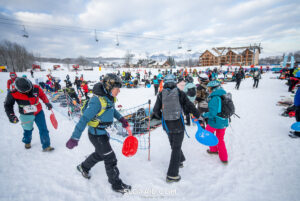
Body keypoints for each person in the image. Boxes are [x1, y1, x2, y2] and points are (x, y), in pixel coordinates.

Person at [65, 73, 131, 193]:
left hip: (102, 134)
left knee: (101, 154)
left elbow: (112, 110)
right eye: (117, 89)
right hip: (96, 135)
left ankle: (83, 167)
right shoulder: (97, 101)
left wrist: (122, 119)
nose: (119, 91)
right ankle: (116, 185)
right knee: (110, 158)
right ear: (109, 87)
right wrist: (75, 137)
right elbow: (84, 119)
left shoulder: (108, 98)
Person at [152, 74, 200, 183]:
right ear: (174, 82)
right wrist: (198, 115)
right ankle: (172, 175)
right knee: (176, 147)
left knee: (174, 144)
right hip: (178, 124)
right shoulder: (180, 93)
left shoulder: (160, 94)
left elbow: (155, 111)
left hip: (167, 126)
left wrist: (162, 116)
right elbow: (189, 105)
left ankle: (180, 160)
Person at [4, 77, 54, 151]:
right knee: (28, 129)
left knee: (43, 129)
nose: (28, 92)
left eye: (29, 90)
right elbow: (8, 105)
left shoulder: (36, 87)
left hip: (38, 112)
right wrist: (11, 115)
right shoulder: (13, 93)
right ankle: (27, 141)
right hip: (25, 114)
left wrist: (47, 102)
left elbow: (42, 95)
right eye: (25, 91)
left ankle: (46, 145)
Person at [202, 80, 229, 163]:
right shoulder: (223, 94)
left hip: (215, 121)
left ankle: (213, 149)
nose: (208, 90)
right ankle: (224, 158)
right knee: (220, 139)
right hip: (224, 120)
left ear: (214, 88)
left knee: (208, 134)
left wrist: (204, 115)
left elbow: (212, 113)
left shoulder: (214, 98)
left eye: (209, 88)